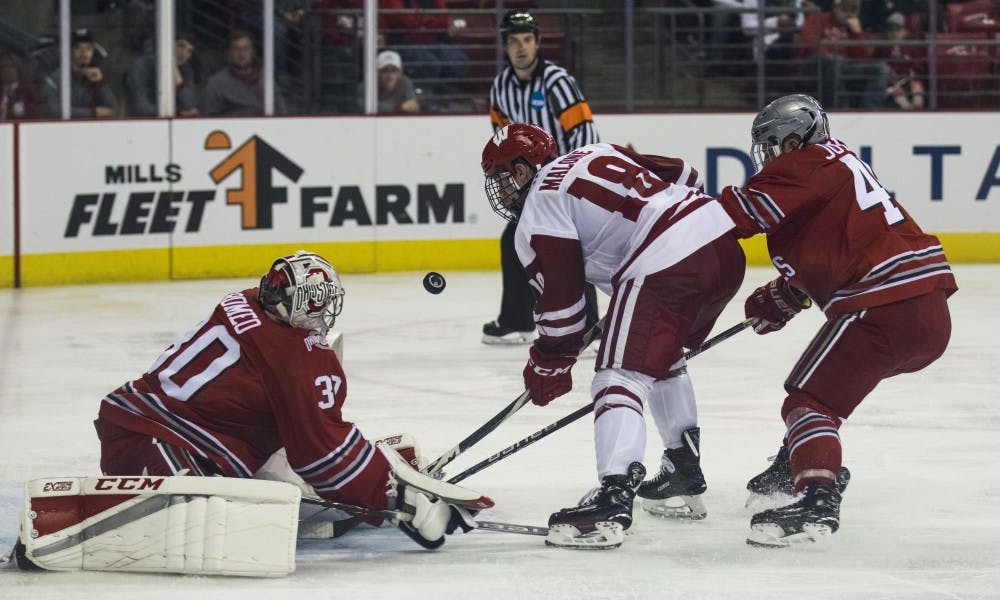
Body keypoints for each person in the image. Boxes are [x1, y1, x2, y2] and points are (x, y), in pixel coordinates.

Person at [93, 250, 483, 549]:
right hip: (153, 442)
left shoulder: (245, 301)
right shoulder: (290, 357)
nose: (325, 310)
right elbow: (320, 455)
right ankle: (384, 478)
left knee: (288, 471)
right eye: (320, 300)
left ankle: (379, 469)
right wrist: (401, 500)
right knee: (212, 518)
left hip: (177, 427)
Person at [480, 123, 747, 549]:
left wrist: (549, 361)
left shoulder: (539, 206)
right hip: (723, 247)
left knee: (618, 375)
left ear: (526, 169)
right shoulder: (596, 151)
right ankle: (683, 466)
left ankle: (613, 496)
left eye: (503, 176)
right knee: (658, 357)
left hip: (668, 259)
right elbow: (687, 176)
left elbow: (564, 308)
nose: (502, 190)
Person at [713, 94, 956, 547]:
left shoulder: (804, 163)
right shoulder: (836, 160)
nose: (767, 156)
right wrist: (786, 294)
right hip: (926, 310)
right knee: (827, 393)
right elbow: (840, 244)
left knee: (808, 402)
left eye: (771, 145)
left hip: (883, 306)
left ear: (792, 139)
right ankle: (795, 464)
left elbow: (739, 216)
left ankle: (816, 497)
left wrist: (665, 213)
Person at [482, 9, 601, 345]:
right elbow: (503, 143)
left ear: (537, 43)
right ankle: (518, 320)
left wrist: (573, 181)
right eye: (514, 41)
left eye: (527, 40)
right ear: (505, 46)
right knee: (514, 241)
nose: (521, 47)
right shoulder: (501, 87)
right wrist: (509, 181)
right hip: (530, 184)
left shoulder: (558, 82)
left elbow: (585, 134)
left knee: (572, 246)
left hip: (568, 177)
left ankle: (589, 325)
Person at [795, 0, 892, 109]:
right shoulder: (818, 18)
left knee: (881, 69)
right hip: (815, 64)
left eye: (853, 9)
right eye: (845, 8)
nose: (849, 13)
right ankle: (842, 108)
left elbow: (863, 57)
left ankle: (869, 110)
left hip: (843, 65)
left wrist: (857, 33)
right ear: (836, 7)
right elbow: (809, 44)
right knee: (831, 61)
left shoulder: (852, 27)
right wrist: (828, 51)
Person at [202, 29, 288, 116]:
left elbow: (281, 109)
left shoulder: (266, 77)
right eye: (236, 49)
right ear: (229, 53)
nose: (241, 54)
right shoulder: (216, 83)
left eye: (246, 49)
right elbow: (210, 119)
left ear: (253, 52)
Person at [43, 28, 118, 119]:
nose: (84, 53)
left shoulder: (98, 76)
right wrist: (91, 113)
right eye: (78, 48)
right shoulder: (56, 77)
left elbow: (113, 109)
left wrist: (99, 83)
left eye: (88, 48)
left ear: (93, 52)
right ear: (69, 51)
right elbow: (52, 109)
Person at [124, 32, 200, 117]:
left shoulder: (185, 69)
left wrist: (178, 81)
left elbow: (190, 106)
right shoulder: (142, 66)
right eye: (181, 46)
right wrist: (178, 114)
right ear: (167, 44)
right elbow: (140, 106)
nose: (183, 54)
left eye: (189, 51)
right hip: (141, 124)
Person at [874, 12, 926, 111]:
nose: (894, 33)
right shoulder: (881, 46)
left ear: (904, 30)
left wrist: (913, 77)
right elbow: (876, 64)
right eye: (891, 29)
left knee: (917, 86)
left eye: (897, 29)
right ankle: (907, 109)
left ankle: (918, 110)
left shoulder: (911, 46)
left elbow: (918, 67)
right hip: (891, 82)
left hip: (908, 80)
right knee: (897, 91)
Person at [369, 49, 420, 113]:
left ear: (400, 72)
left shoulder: (405, 82)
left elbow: (413, 106)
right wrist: (399, 107)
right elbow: (365, 107)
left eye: (394, 71)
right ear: (377, 73)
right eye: (385, 71)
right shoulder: (368, 86)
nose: (390, 76)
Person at [0, 51, 42, 120]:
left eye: (10, 66)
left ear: (18, 68)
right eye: (2, 67)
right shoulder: (1, 91)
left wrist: (13, 110)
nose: (6, 70)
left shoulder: (29, 91)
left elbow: (35, 116)